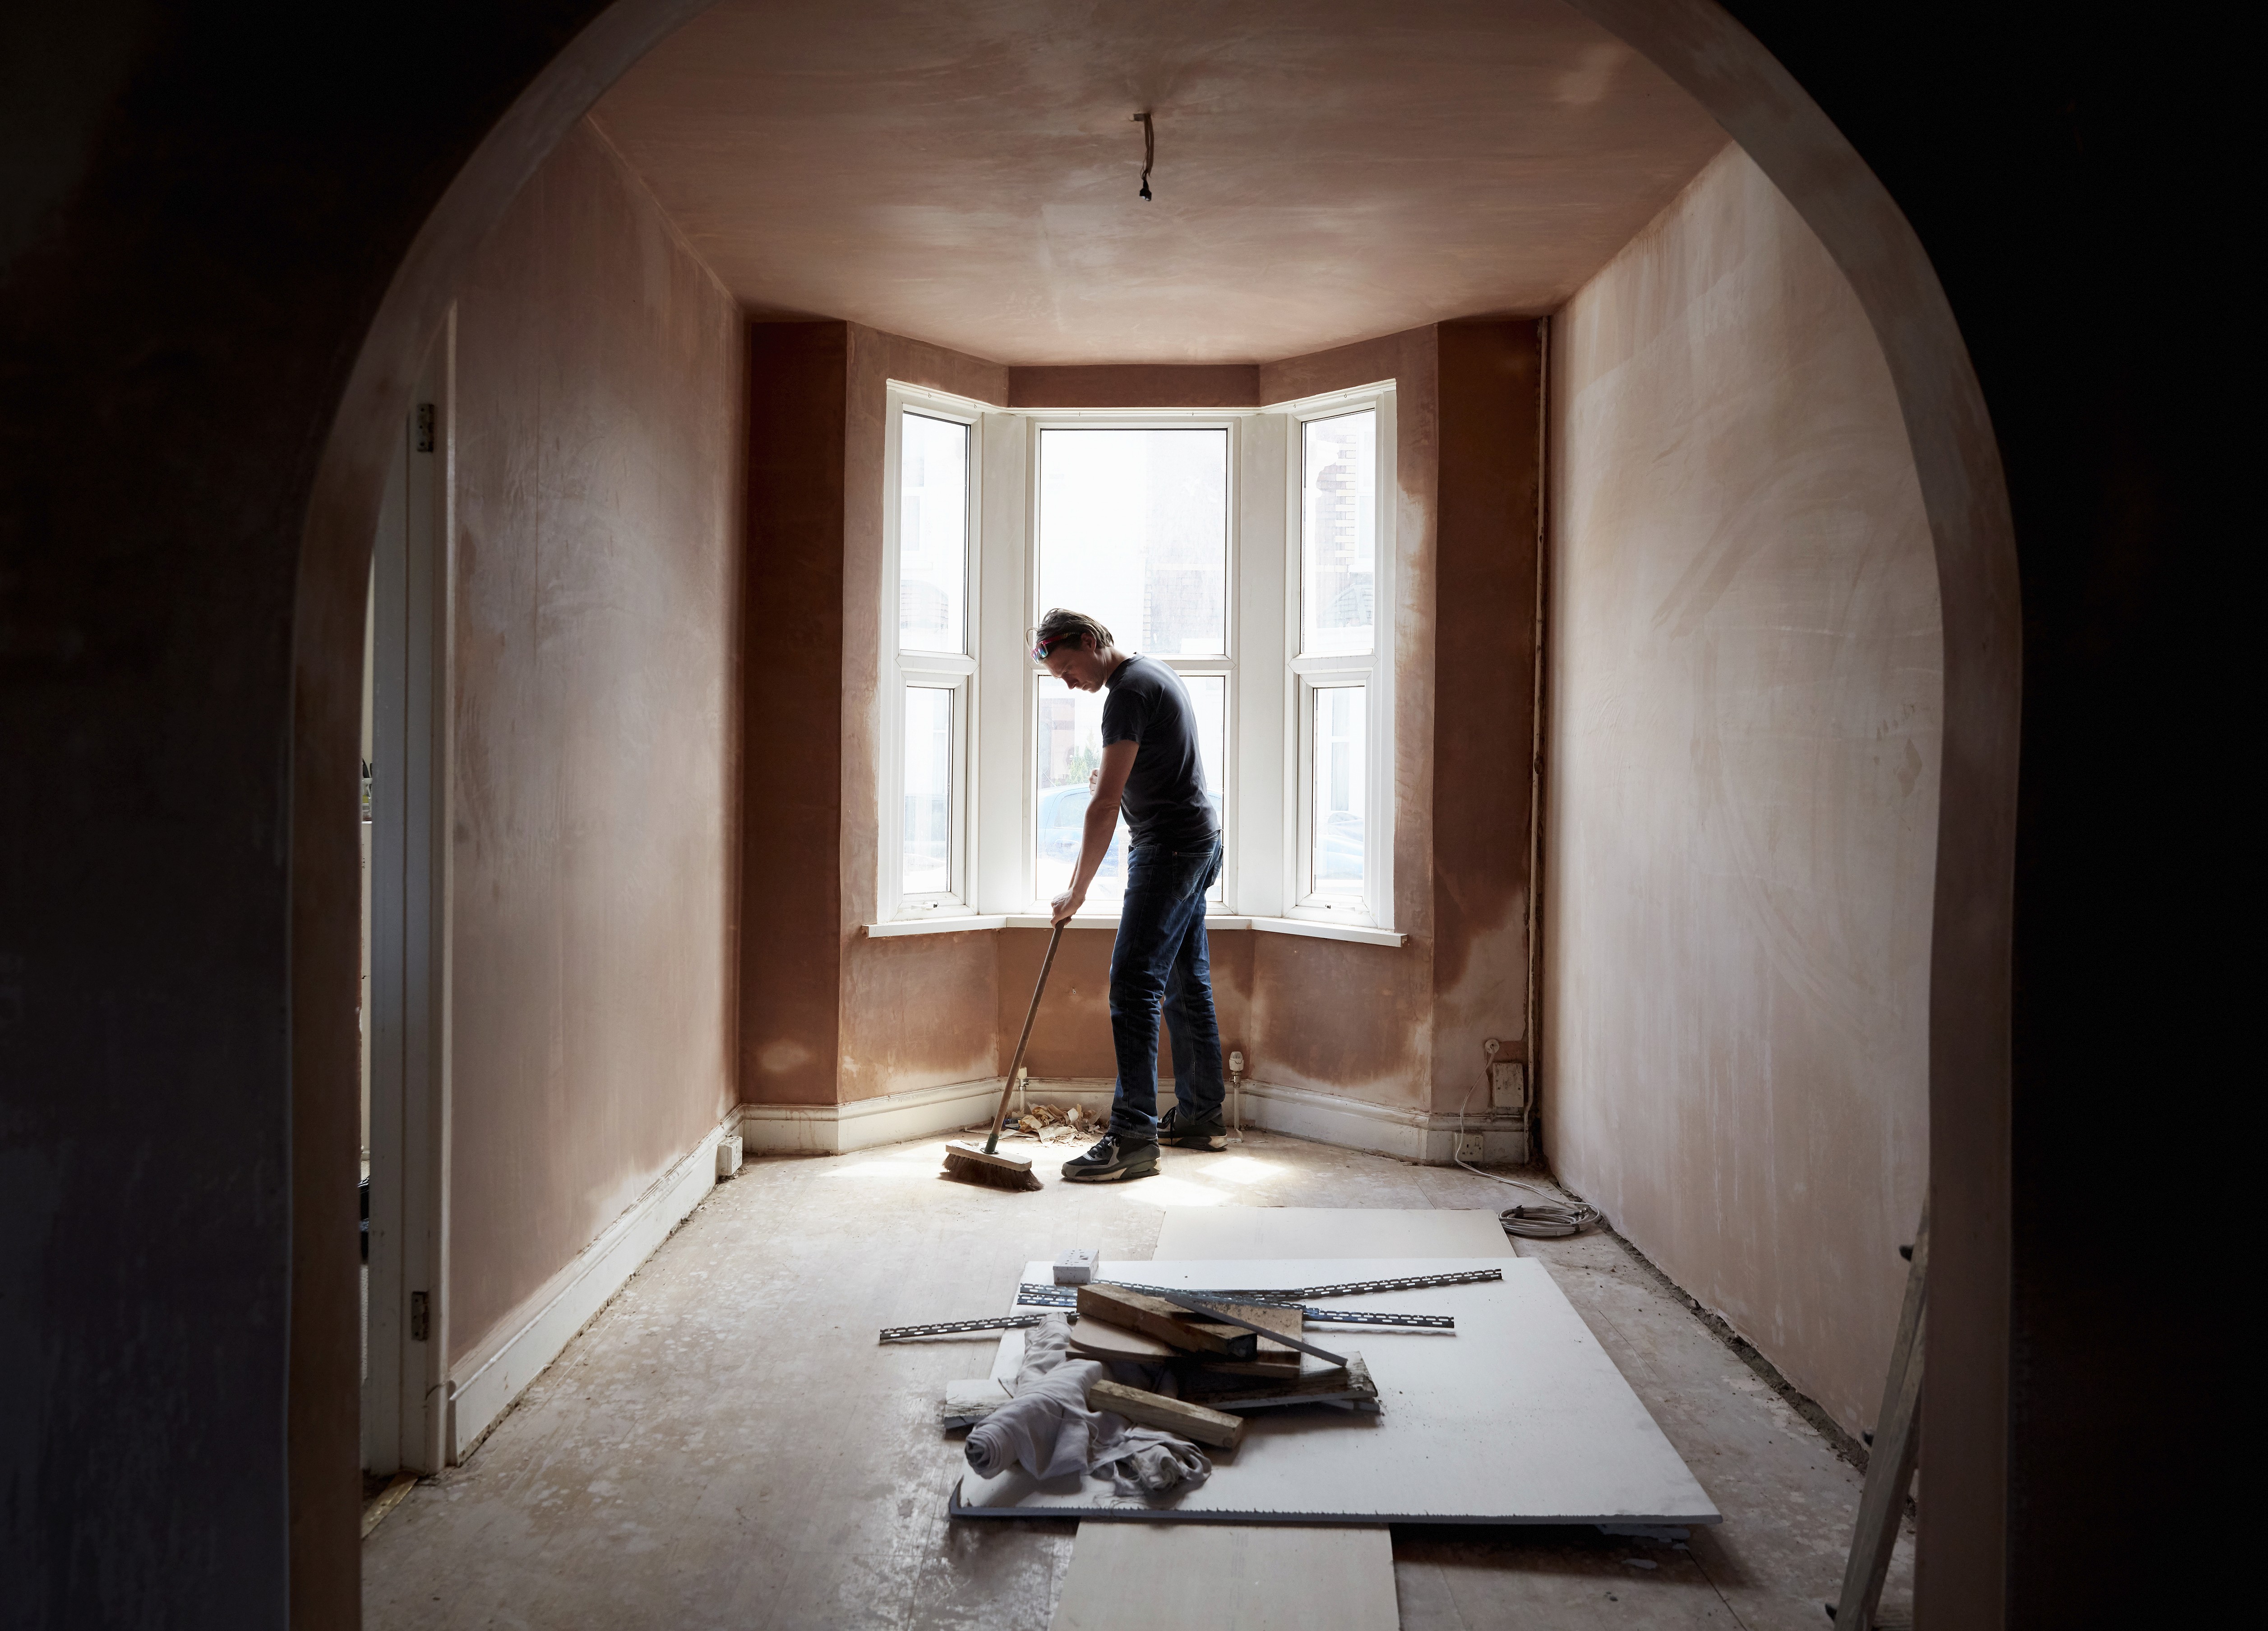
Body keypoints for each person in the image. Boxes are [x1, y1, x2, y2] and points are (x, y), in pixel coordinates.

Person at [1034, 608, 1225, 1181]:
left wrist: (1076, 890)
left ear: (1091, 642)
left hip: (1168, 850)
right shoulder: (1150, 675)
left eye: (1068, 667)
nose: (1068, 682)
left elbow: (1103, 805)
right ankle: (1199, 1117)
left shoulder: (1126, 692)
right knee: (1184, 987)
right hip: (1198, 841)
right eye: (1058, 676)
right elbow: (1134, 774)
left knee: (1132, 988)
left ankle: (1133, 1137)